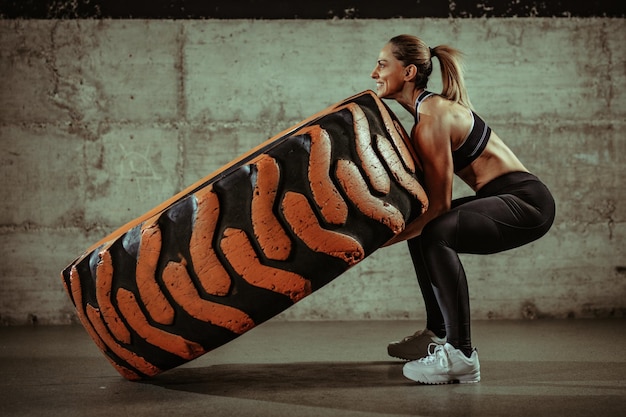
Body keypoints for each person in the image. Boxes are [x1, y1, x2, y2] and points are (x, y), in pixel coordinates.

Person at [370, 35, 556, 384]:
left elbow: (437, 207)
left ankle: (460, 354)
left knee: (435, 232)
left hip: (526, 202)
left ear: (408, 71)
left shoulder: (431, 117)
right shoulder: (428, 112)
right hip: (505, 195)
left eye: (382, 64)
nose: (373, 73)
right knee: (422, 233)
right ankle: (437, 333)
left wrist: (376, 243)